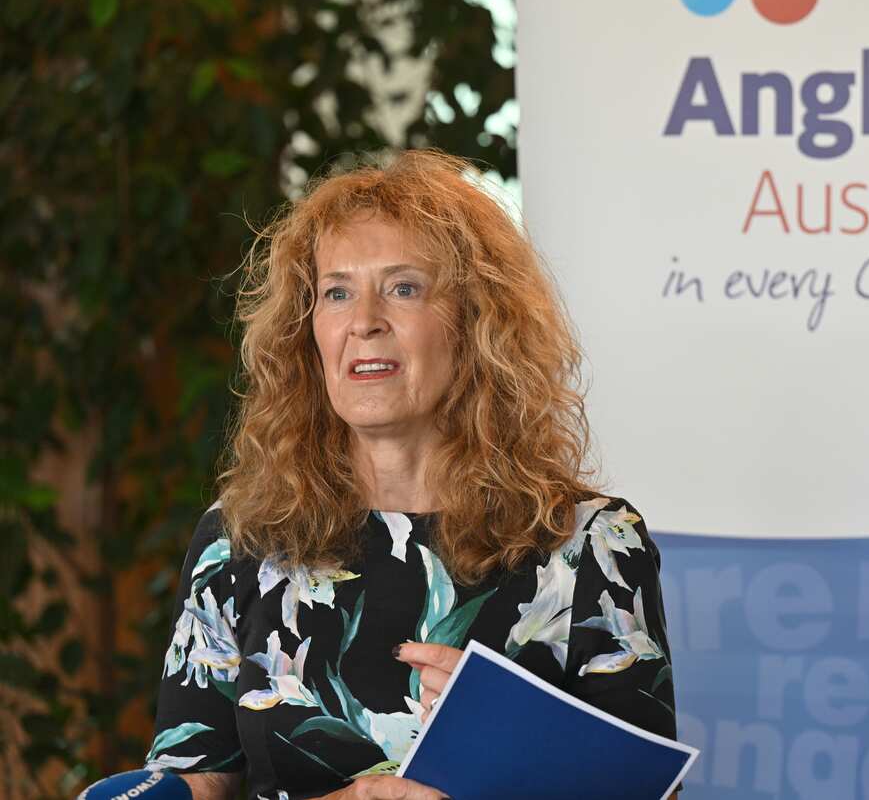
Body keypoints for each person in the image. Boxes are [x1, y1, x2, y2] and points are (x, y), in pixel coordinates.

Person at [145, 150, 680, 799]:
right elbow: (199, 776)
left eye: (403, 287)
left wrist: (516, 747)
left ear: (476, 323)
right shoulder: (237, 541)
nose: (364, 320)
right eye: (337, 291)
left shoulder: (594, 544)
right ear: (307, 333)